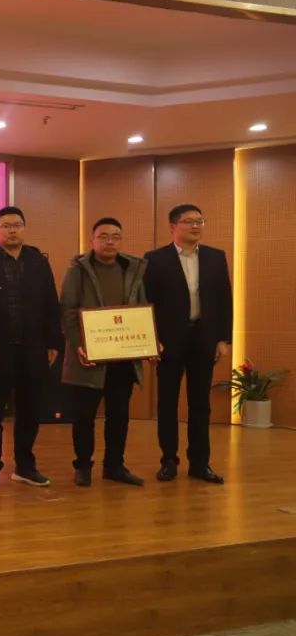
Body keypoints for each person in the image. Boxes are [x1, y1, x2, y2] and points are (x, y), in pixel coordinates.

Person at [0, 206, 62, 489]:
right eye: (6, 226)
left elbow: (51, 303)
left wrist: (53, 341)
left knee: (29, 410)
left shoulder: (38, 262)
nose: (12, 230)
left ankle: (25, 466)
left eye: (17, 225)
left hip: (32, 347)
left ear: (24, 228)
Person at [144, 203, 232, 484]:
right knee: (167, 403)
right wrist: (152, 340)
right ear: (173, 226)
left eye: (199, 221)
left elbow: (224, 300)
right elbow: (147, 302)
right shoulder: (155, 259)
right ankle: (169, 461)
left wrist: (223, 338)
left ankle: (200, 464)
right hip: (168, 342)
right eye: (189, 221)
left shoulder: (216, 257)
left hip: (204, 339)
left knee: (200, 404)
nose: (196, 226)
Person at [60, 217, 150, 488]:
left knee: (119, 416)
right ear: (92, 240)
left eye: (115, 237)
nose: (109, 241)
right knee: (84, 416)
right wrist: (78, 344)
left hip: (122, 358)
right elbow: (67, 311)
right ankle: (83, 466)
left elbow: (141, 310)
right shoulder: (77, 271)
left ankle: (114, 466)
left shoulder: (133, 269)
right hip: (87, 357)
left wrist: (148, 340)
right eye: (103, 236)